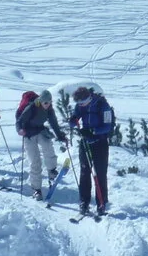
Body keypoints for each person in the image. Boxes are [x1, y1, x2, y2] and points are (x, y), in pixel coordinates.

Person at [68, 86, 114, 216]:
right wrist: (73, 120)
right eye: (78, 104)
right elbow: (76, 116)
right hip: (85, 142)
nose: (80, 105)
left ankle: (101, 203)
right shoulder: (80, 105)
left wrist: (93, 132)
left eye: (82, 103)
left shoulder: (102, 105)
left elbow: (108, 126)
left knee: (100, 173)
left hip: (100, 142)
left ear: (89, 97)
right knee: (84, 172)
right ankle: (84, 202)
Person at [16, 89, 68, 200]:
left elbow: (54, 123)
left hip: (40, 130)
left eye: (50, 102)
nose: (48, 104)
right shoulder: (31, 108)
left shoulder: (49, 109)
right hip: (28, 134)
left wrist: (60, 136)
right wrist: (19, 130)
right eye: (45, 102)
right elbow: (19, 121)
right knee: (35, 161)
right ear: (40, 101)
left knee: (48, 146)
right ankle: (36, 189)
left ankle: (52, 170)